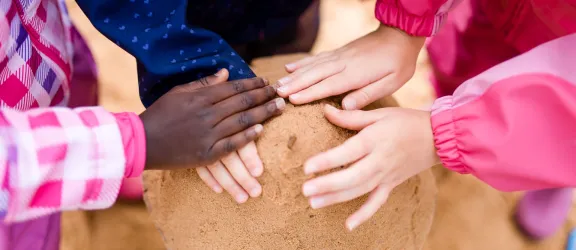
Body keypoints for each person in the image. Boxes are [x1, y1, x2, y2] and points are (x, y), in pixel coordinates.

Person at [276, 0, 576, 239]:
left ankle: (552, 178)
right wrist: (403, 26)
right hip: (499, 9)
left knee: (555, 144)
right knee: (464, 64)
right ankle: (454, 103)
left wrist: (447, 134)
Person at [0, 0, 285, 249]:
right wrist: (136, 141)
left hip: (41, 49)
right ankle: (96, 169)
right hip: (15, 181)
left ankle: (103, 174)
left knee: (74, 104)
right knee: (33, 232)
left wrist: (178, 63)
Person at [76, 0, 320, 203]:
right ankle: (95, 165)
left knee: (283, 40)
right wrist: (190, 70)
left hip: (278, 11)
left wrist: (361, 46)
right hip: (182, 15)